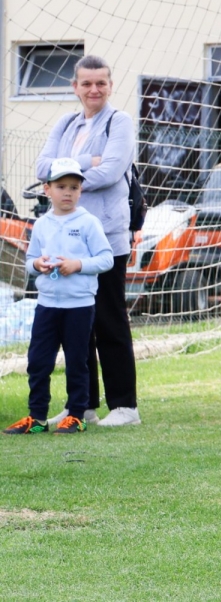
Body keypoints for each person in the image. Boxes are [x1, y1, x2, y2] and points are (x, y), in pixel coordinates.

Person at [35, 55, 140, 427]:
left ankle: (125, 406)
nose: (94, 89)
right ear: (75, 86)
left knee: (110, 321)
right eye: (86, 83)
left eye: (101, 83)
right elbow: (41, 168)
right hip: (67, 243)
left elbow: (111, 171)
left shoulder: (120, 122)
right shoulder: (66, 122)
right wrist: (85, 160)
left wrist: (66, 167)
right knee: (78, 327)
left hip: (106, 240)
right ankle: (84, 405)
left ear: (110, 85)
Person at [4, 159, 113, 435]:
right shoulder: (41, 224)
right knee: (38, 361)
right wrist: (37, 265)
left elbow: (106, 259)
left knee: (77, 360)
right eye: (61, 186)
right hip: (47, 305)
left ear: (81, 191)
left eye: (74, 187)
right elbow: (29, 261)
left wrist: (78, 265)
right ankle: (37, 416)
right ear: (47, 189)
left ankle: (77, 414)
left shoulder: (88, 222)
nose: (68, 192)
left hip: (79, 306)